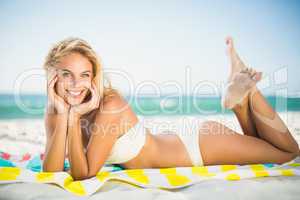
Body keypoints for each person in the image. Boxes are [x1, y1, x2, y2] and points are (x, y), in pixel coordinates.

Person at [42, 37, 299, 181]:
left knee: (288, 153)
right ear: (52, 76)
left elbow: (83, 173)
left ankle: (249, 92)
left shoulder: (111, 105)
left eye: (84, 74)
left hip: (198, 147)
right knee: (259, 144)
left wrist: (73, 119)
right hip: (181, 142)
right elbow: (52, 172)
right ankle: (238, 102)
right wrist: (65, 115)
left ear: (93, 76)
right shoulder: (57, 109)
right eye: (67, 75)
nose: (76, 84)